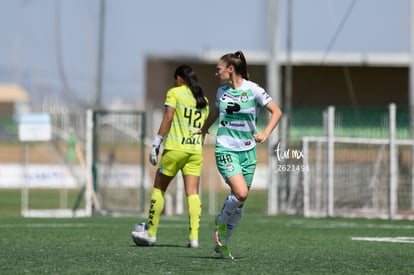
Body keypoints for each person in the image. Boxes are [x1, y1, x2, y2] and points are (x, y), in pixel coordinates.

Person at [199, 50, 282, 259]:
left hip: (248, 152)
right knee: (241, 193)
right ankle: (220, 221)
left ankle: (223, 244)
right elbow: (216, 113)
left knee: (240, 203)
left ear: (231, 69)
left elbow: (277, 111)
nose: (216, 73)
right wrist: (204, 128)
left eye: (218, 69)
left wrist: (265, 132)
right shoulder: (221, 92)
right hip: (225, 149)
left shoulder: (253, 90)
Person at [131, 64, 209, 248]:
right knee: (193, 193)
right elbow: (203, 131)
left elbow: (168, 118)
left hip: (175, 149)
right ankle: (194, 238)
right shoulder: (203, 99)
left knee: (159, 187)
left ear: (180, 78)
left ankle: (150, 233)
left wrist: (156, 143)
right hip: (195, 151)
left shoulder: (175, 93)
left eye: (175, 79)